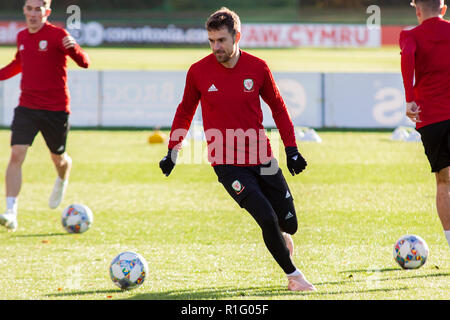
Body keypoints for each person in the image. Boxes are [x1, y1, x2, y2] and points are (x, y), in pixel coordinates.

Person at [159, 7, 315, 291]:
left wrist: (291, 149)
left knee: (288, 225)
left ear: (237, 36)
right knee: (266, 218)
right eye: (211, 41)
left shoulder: (257, 67)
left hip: (262, 156)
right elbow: (184, 112)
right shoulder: (198, 72)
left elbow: (278, 108)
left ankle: (283, 241)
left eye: (221, 40)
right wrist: (173, 149)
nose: (215, 47)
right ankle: (294, 277)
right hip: (226, 161)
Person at [0, 0, 90, 231]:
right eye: (29, 9)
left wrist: (75, 49)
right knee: (16, 155)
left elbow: (84, 63)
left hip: (56, 109)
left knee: (58, 158)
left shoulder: (58, 35)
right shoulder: (21, 37)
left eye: (37, 9)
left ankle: (62, 177)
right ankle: (11, 211)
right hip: (27, 106)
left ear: (46, 12)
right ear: (24, 11)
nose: (32, 14)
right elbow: (18, 64)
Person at [400, 0, 450, 249]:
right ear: (443, 9)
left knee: (444, 181)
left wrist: (409, 99)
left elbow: (407, 58)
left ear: (418, 10)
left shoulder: (410, 35)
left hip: (432, 119)